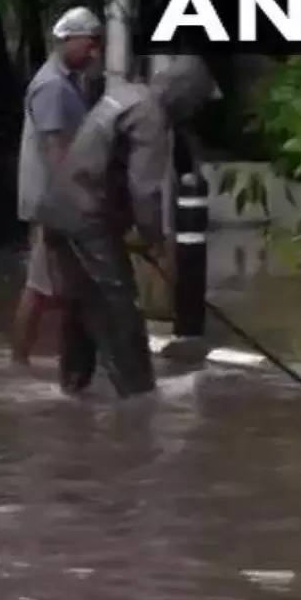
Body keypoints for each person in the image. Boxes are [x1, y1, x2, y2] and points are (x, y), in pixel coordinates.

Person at [39, 54, 217, 398]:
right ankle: (138, 393)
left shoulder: (126, 94)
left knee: (81, 302)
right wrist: (158, 246)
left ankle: (72, 387)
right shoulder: (152, 116)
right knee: (121, 306)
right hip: (87, 217)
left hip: (60, 209)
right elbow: (144, 191)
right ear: (185, 97)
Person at [12, 7, 103, 364]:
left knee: (55, 285)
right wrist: (78, 202)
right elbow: (56, 153)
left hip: (54, 201)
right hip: (53, 203)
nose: (94, 52)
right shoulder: (52, 86)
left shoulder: (65, 82)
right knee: (42, 285)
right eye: (89, 44)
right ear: (67, 40)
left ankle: (48, 362)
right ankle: (23, 361)